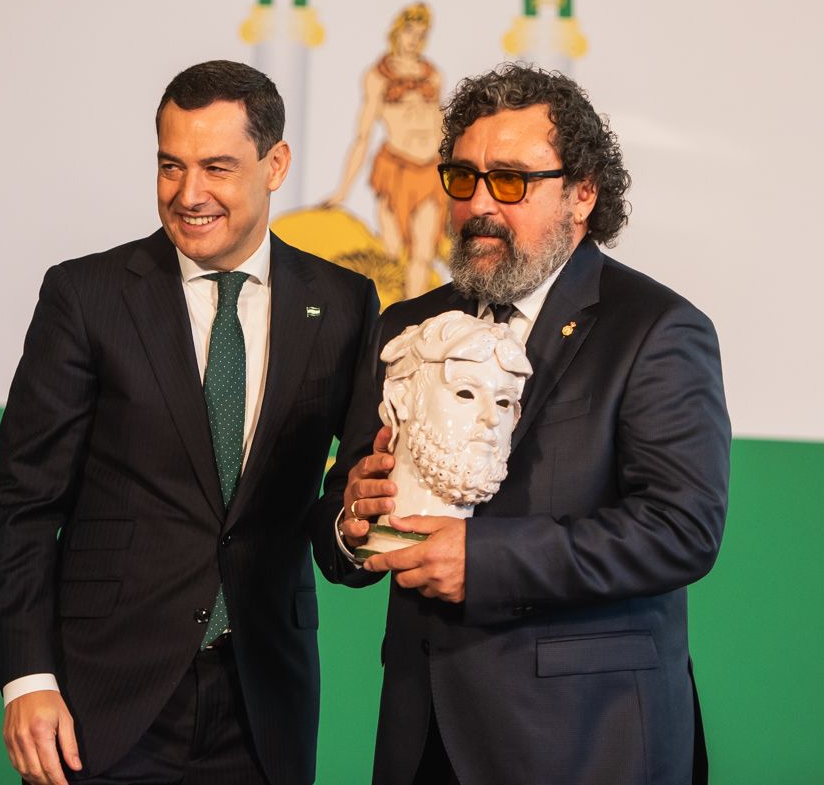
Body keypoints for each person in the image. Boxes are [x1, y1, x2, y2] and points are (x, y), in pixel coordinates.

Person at [312, 63, 731, 785]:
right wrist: (351, 523)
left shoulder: (656, 328)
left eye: (510, 181)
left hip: (582, 740)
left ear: (582, 193)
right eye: (463, 177)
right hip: (422, 734)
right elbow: (338, 510)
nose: (479, 204)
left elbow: (680, 528)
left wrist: (486, 560)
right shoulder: (407, 324)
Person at [0, 60, 378, 785]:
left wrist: (356, 529)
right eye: (171, 165)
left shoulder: (346, 302)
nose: (188, 194)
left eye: (216, 167)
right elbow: (23, 502)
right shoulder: (87, 295)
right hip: (101, 698)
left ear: (275, 164)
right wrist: (26, 678)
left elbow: (344, 499)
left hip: (265, 703)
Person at [323, 2, 448, 299]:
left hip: (429, 169)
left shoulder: (433, 74)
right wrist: (342, 191)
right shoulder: (377, 76)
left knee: (422, 253)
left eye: (422, 34)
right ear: (397, 31)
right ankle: (388, 316)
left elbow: (442, 127)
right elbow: (363, 135)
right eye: (410, 32)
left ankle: (413, 318)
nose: (415, 40)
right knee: (392, 252)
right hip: (395, 168)